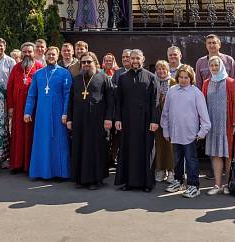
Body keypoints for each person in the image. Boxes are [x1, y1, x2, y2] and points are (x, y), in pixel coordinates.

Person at [162, 65, 211, 199]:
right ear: (177, 77)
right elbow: (165, 112)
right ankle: (178, 181)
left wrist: (202, 132)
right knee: (177, 160)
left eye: (186, 78)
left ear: (191, 78)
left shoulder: (196, 93)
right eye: (181, 77)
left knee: (191, 160)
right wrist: (166, 130)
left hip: (190, 135)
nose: (183, 80)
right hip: (175, 133)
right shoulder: (172, 91)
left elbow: (204, 116)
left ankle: (194, 186)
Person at [67, 51, 114, 189]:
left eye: (89, 62)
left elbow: (110, 100)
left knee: (96, 149)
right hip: (79, 120)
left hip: (97, 121)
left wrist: (109, 118)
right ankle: (80, 179)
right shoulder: (76, 79)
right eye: (84, 62)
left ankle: (95, 180)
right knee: (80, 148)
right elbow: (70, 101)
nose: (86, 64)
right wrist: (70, 119)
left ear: (95, 62)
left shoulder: (104, 77)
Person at [114, 49, 159, 192]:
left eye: (137, 58)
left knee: (146, 151)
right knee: (129, 150)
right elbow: (118, 101)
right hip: (127, 121)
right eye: (132, 58)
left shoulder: (151, 77)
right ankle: (129, 182)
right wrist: (118, 119)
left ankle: (147, 183)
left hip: (146, 121)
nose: (134, 61)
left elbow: (155, 101)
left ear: (143, 59)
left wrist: (154, 120)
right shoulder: (123, 77)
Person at [24, 46, 72, 180]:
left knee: (59, 142)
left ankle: (60, 173)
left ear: (58, 56)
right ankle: (40, 172)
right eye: (49, 54)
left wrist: (65, 113)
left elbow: (68, 94)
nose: (51, 56)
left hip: (58, 113)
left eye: (53, 54)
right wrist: (27, 112)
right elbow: (32, 94)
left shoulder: (64, 73)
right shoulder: (38, 74)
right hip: (41, 115)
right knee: (42, 142)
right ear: (45, 55)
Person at [201, 55, 235, 195]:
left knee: (229, 155)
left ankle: (228, 184)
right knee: (215, 154)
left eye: (216, 65)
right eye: (211, 65)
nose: (214, 67)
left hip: (228, 124)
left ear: (222, 66)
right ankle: (217, 184)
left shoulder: (230, 82)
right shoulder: (206, 83)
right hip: (213, 125)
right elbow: (202, 105)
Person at [6, 42, 42, 173]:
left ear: (34, 53)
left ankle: (29, 165)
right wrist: (10, 107)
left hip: (33, 108)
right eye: (25, 51)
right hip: (17, 107)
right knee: (18, 135)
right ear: (21, 53)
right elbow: (9, 88)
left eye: (29, 51)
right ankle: (17, 164)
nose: (27, 54)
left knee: (31, 136)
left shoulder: (39, 67)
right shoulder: (16, 68)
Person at [153, 60, 176, 183]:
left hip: (171, 119)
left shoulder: (173, 82)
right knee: (159, 145)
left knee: (170, 146)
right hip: (157, 118)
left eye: (164, 69)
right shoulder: (153, 82)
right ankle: (160, 169)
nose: (161, 71)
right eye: (159, 69)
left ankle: (171, 171)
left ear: (168, 70)